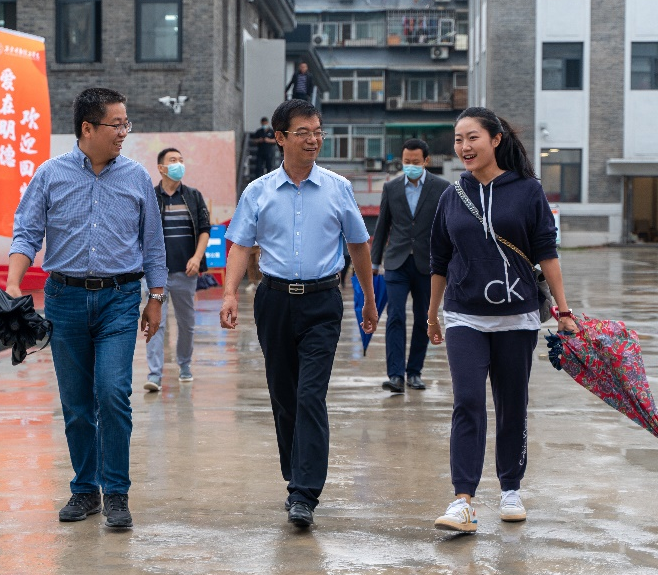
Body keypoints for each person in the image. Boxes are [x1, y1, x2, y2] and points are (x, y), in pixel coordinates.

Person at [6, 87, 168, 530]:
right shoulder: (50, 175)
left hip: (120, 299)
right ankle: (84, 490)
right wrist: (13, 284)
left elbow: (153, 245)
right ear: (87, 128)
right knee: (77, 403)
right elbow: (27, 232)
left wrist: (156, 299)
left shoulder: (136, 177)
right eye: (116, 124)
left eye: (126, 123)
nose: (123, 132)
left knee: (113, 393)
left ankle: (116, 493)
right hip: (66, 300)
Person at [220, 99, 378, 528]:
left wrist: (368, 297)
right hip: (273, 301)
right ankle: (295, 477)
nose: (313, 140)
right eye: (303, 132)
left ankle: (305, 492)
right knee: (284, 395)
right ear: (280, 138)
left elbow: (358, 245)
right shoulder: (258, 191)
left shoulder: (338, 188)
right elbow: (240, 245)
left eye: (318, 132)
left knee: (310, 395)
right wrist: (230, 293)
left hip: (322, 301)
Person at [427, 107, 578, 534]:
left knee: (512, 404)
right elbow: (439, 259)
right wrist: (433, 313)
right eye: (458, 139)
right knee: (468, 401)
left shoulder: (528, 191)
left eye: (472, 137)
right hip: (463, 314)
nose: (464, 146)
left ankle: (510, 488)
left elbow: (546, 251)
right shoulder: (452, 196)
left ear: (495, 140)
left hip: (517, 316)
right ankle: (463, 500)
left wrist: (564, 310)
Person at [371, 138, 450, 393]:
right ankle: (395, 375)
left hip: (428, 265)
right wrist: (374, 262)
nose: (411, 166)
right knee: (395, 316)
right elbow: (382, 226)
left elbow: (447, 228)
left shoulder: (442, 188)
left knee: (423, 318)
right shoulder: (391, 188)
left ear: (426, 161)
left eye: (415, 162)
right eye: (406, 161)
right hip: (397, 262)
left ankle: (414, 372)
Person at [143, 147, 211, 392]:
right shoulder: (150, 197)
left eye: (181, 160)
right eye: (173, 160)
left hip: (186, 272)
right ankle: (154, 375)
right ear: (161, 168)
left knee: (186, 322)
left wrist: (197, 258)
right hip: (156, 275)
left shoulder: (193, 196)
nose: (178, 164)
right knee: (156, 323)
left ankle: (184, 365)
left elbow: (205, 229)